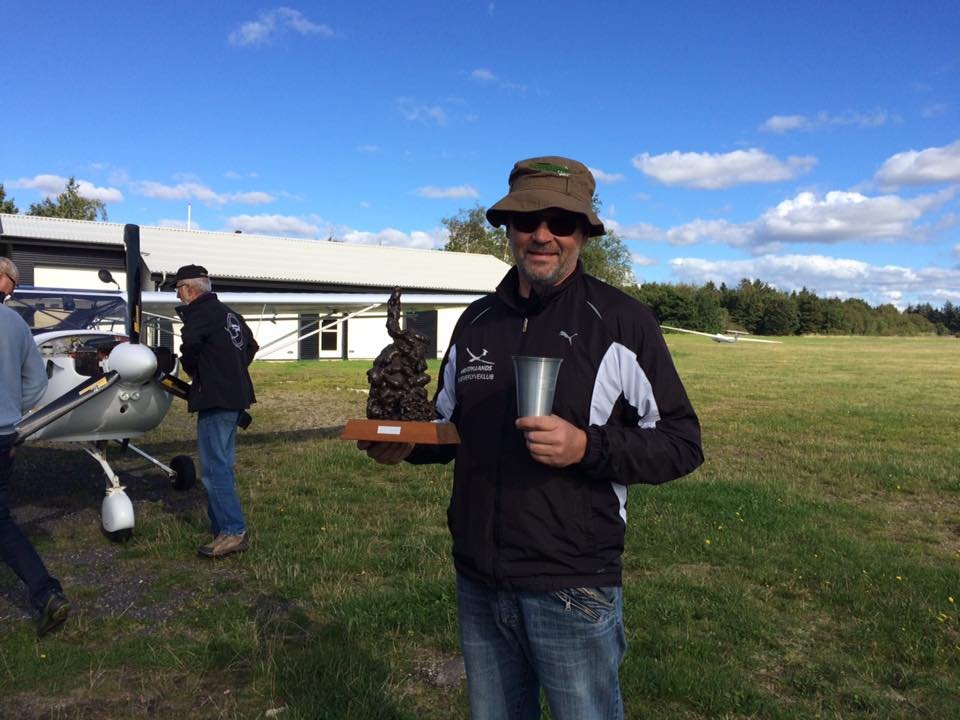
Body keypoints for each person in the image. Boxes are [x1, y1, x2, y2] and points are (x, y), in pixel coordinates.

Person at [359, 157, 703, 719]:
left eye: (560, 222)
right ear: (509, 229)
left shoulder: (621, 322)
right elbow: (447, 425)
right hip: (479, 577)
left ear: (583, 233)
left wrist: (587, 447)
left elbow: (682, 442)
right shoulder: (476, 321)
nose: (542, 235)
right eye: (526, 220)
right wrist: (402, 445)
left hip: (573, 584)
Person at [0, 257, 72, 636]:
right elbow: (37, 384)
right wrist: (11, 416)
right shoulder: (16, 324)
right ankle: (46, 595)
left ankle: (46, 594)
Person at [174, 264, 258, 558]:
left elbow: (190, 349)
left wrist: (198, 372)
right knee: (223, 464)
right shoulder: (230, 314)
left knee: (213, 469)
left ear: (188, 288)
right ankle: (221, 526)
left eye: (178, 289)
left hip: (215, 399)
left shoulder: (198, 314)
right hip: (236, 397)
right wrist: (231, 370)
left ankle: (233, 531)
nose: (178, 295)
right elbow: (251, 346)